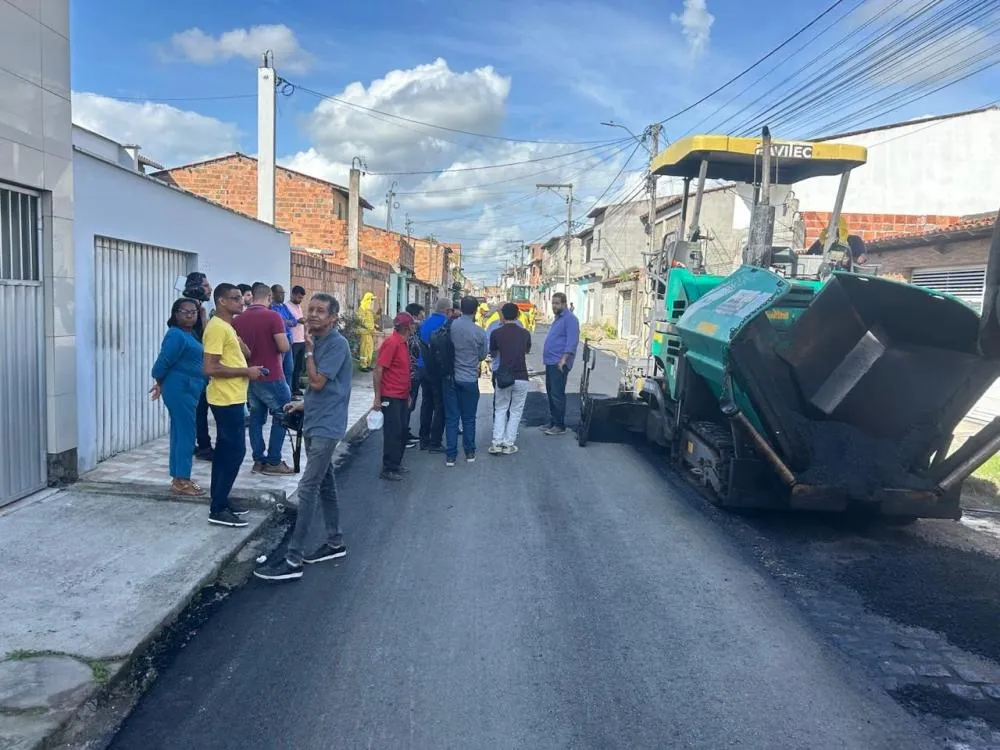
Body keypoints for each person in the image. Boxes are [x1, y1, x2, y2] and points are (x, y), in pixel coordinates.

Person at [254, 293, 352, 582]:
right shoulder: (321, 341)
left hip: (327, 426)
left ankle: (293, 559)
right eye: (311, 309)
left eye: (321, 311)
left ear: (333, 317)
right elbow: (321, 389)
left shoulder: (335, 343)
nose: (313, 315)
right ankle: (335, 542)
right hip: (314, 419)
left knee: (308, 488)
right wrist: (302, 403)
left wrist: (308, 351)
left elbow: (319, 382)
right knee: (325, 484)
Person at [203, 283, 264, 527]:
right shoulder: (217, 328)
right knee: (235, 452)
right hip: (225, 399)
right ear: (222, 302)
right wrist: (246, 372)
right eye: (235, 298)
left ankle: (220, 500)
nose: (242, 302)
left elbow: (245, 354)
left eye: (241, 297)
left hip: (233, 397)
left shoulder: (226, 327)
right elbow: (209, 368)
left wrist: (240, 348)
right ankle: (217, 508)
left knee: (225, 452)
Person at [233, 282, 294, 476]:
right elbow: (284, 347)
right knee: (283, 414)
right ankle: (274, 461)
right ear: (269, 297)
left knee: (256, 419)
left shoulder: (238, 319)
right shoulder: (273, 316)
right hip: (272, 374)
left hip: (250, 375)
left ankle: (258, 460)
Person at [149, 298, 208, 496]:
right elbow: (162, 363)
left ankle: (179, 477)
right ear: (176, 314)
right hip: (180, 389)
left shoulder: (189, 334)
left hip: (188, 389)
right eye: (185, 311)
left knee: (180, 432)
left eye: (194, 311)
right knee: (186, 434)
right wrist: (159, 381)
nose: (190, 314)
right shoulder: (176, 335)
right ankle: (182, 479)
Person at [444, 296, 487, 466]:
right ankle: (469, 452)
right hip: (469, 378)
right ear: (476, 310)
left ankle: (451, 456)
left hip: (451, 377)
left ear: (460, 308)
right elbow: (483, 355)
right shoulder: (479, 332)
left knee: (452, 418)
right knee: (469, 418)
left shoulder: (451, 326)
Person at [373, 312, 414, 481]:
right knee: (393, 432)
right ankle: (388, 468)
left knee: (402, 431)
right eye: (412, 324)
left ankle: (396, 464)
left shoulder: (403, 343)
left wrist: (409, 393)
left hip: (402, 395)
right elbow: (378, 369)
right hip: (391, 395)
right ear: (406, 327)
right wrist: (377, 397)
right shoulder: (392, 343)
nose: (414, 326)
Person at [489, 303, 532, 455]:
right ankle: (508, 444)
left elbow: (493, 354)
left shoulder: (496, 333)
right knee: (515, 411)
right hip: (521, 376)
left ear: (502, 315)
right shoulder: (525, 333)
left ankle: (496, 443)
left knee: (500, 409)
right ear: (518, 315)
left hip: (503, 376)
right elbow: (526, 350)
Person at [183, 272, 215, 461]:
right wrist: (203, 318)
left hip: (198, 369)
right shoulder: (191, 311)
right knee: (199, 409)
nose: (209, 289)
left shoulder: (199, 308)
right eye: (205, 285)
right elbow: (203, 339)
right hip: (193, 370)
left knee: (199, 409)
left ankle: (201, 444)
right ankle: (203, 446)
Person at [542, 292, 580, 436]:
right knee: (551, 393)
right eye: (553, 303)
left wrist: (564, 359)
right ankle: (553, 421)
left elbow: (572, 341)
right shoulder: (558, 319)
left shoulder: (570, 319)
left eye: (557, 303)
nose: (554, 306)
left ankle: (559, 425)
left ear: (564, 304)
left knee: (557, 394)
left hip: (559, 362)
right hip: (551, 361)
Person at [417, 297, 450, 453]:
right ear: (447, 310)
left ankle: (423, 438)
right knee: (440, 406)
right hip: (435, 370)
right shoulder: (444, 324)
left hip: (422, 367)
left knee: (426, 403)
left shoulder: (425, 322)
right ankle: (435, 442)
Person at [404, 302, 425, 447]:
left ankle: (405, 431)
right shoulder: (409, 335)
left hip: (411, 373)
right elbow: (417, 351)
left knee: (409, 406)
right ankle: (403, 435)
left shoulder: (410, 333)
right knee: (407, 405)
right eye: (421, 317)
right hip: (410, 375)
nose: (422, 320)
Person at [270, 284, 296, 389]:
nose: (283, 296)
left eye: (283, 293)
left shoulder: (284, 307)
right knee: (279, 370)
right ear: (273, 294)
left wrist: (286, 322)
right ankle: (280, 393)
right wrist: (285, 322)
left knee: (289, 369)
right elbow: (279, 323)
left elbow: (293, 321)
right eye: (280, 293)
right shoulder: (271, 308)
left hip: (289, 340)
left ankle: (288, 394)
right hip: (279, 342)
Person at [286, 285, 307, 397]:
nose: (300, 300)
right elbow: (288, 321)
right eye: (299, 297)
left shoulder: (298, 306)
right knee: (291, 367)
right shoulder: (287, 307)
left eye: (301, 298)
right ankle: (290, 389)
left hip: (301, 340)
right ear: (293, 295)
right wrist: (298, 321)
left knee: (299, 367)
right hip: (293, 341)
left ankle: (296, 388)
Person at [357, 291, 377, 371]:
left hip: (369, 332)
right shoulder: (362, 308)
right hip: (364, 332)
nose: (372, 302)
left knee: (370, 349)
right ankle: (363, 365)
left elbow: (372, 320)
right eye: (371, 300)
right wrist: (370, 327)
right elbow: (361, 320)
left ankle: (368, 364)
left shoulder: (369, 310)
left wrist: (375, 324)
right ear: (368, 300)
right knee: (364, 349)